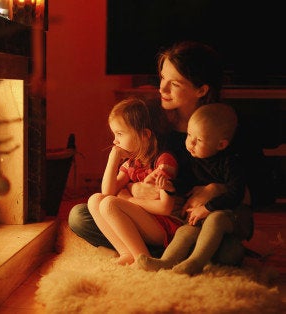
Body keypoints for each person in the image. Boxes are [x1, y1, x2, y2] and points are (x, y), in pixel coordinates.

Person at [69, 41, 247, 263]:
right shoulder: (154, 121)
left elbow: (257, 191)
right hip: (149, 215)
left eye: (174, 83)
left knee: (230, 252)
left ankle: (162, 253)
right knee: (79, 216)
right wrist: (134, 188)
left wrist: (215, 189)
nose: (162, 89)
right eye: (162, 78)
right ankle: (151, 252)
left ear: (201, 90)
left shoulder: (221, 128)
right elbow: (136, 170)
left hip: (190, 220)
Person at [137, 103, 253, 275]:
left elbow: (236, 194)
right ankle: (166, 262)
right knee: (185, 230)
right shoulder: (194, 160)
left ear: (220, 144)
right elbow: (186, 184)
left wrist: (207, 208)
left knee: (216, 219)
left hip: (233, 217)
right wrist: (170, 186)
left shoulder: (231, 163)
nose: (190, 143)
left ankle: (195, 262)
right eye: (189, 135)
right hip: (201, 217)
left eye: (198, 140)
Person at [88, 97, 182, 265]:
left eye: (120, 134)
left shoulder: (163, 161)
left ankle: (143, 257)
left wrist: (129, 199)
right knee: (95, 200)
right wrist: (113, 158)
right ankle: (127, 252)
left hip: (164, 227)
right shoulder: (132, 162)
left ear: (145, 135)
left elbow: (165, 208)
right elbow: (106, 192)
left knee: (110, 204)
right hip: (145, 220)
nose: (114, 140)